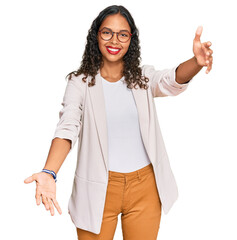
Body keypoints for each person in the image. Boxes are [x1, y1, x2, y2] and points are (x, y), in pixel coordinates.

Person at [24, 4, 213, 240]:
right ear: (96, 35)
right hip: (97, 188)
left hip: (145, 186)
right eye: (107, 32)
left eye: (123, 34)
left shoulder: (142, 78)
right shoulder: (79, 82)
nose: (115, 40)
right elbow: (67, 126)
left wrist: (196, 62)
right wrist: (49, 172)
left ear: (130, 40)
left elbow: (170, 80)